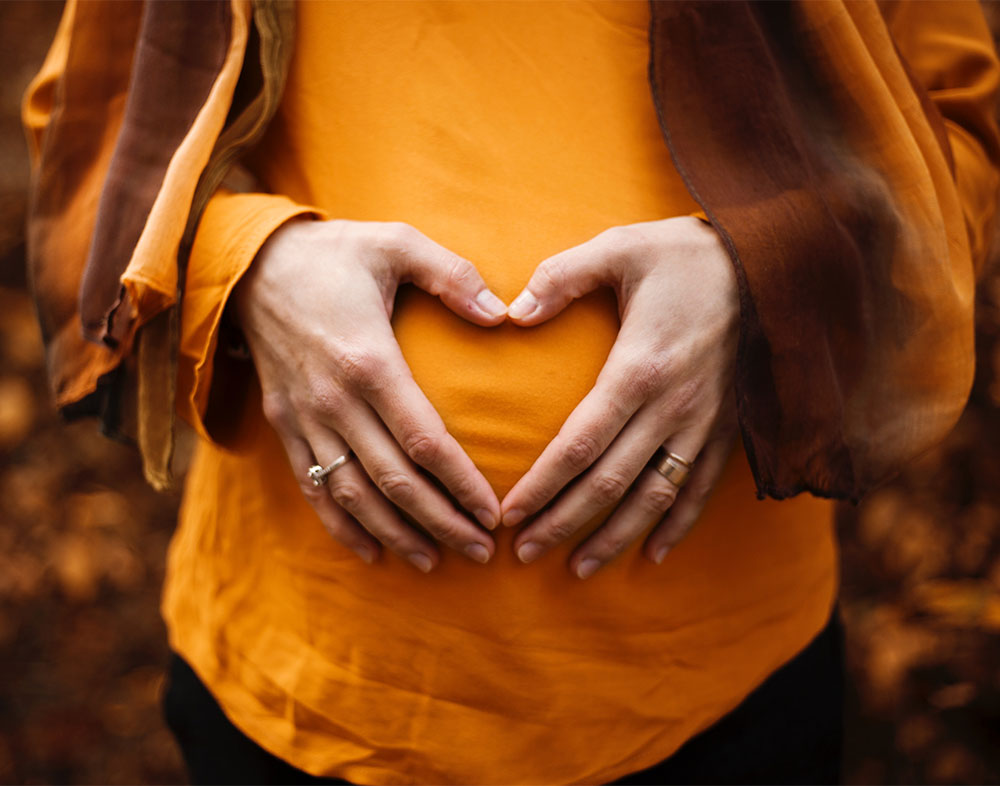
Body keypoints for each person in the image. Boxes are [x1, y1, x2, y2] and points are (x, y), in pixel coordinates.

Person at [23, 0, 1000, 783]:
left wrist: (759, 274)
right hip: (300, 687)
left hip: (715, 694)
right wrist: (246, 267)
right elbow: (92, 132)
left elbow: (957, 138)